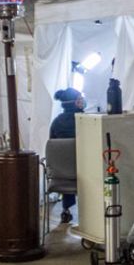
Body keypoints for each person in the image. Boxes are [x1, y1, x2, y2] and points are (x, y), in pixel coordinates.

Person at [50, 87, 85, 223]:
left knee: (67, 163)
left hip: (61, 173)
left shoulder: (56, 123)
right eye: (80, 100)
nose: (82, 101)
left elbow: (52, 146)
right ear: (74, 103)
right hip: (83, 170)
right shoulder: (84, 122)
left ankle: (66, 208)